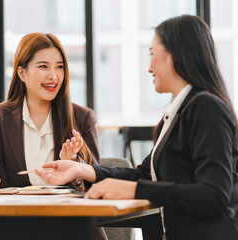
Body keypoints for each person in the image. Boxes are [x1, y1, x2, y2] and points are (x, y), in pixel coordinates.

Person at [35, 15, 238, 240]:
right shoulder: (179, 112)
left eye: (152, 53)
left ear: (175, 56)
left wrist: (135, 190)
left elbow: (214, 194)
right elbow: (145, 174)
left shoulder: (205, 107)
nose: (149, 67)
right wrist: (82, 169)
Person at [0, 32, 100, 193]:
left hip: (66, 215)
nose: (53, 76)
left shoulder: (82, 118)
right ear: (22, 73)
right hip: (14, 215)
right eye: (43, 66)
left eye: (59, 67)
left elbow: (98, 182)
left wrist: (73, 163)